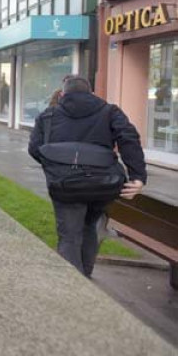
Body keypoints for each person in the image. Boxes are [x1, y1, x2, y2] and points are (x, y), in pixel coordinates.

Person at [28, 76, 146, 277]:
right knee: (89, 225)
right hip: (101, 185)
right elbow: (129, 138)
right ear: (91, 93)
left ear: (63, 94)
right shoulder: (110, 112)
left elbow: (34, 149)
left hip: (64, 186)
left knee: (69, 235)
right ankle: (86, 276)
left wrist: (56, 168)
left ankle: (74, 289)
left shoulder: (48, 116)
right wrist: (138, 176)